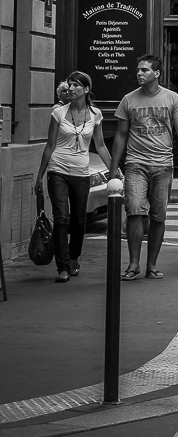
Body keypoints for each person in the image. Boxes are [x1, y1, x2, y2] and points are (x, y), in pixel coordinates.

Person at [109, 54, 178, 280]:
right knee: (135, 211)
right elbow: (120, 135)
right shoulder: (128, 100)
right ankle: (134, 263)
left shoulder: (172, 98)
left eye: (145, 70)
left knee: (158, 216)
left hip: (163, 164)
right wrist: (112, 165)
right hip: (135, 163)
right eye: (138, 69)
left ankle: (152, 265)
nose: (139, 73)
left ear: (156, 73)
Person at [34, 72, 111, 283]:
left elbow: (101, 145)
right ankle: (63, 266)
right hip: (58, 170)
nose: (71, 88)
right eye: (69, 85)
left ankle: (74, 257)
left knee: (79, 221)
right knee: (61, 219)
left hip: (81, 172)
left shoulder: (96, 114)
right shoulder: (58, 113)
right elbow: (50, 145)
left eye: (76, 85)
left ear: (86, 90)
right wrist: (40, 174)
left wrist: (114, 169)